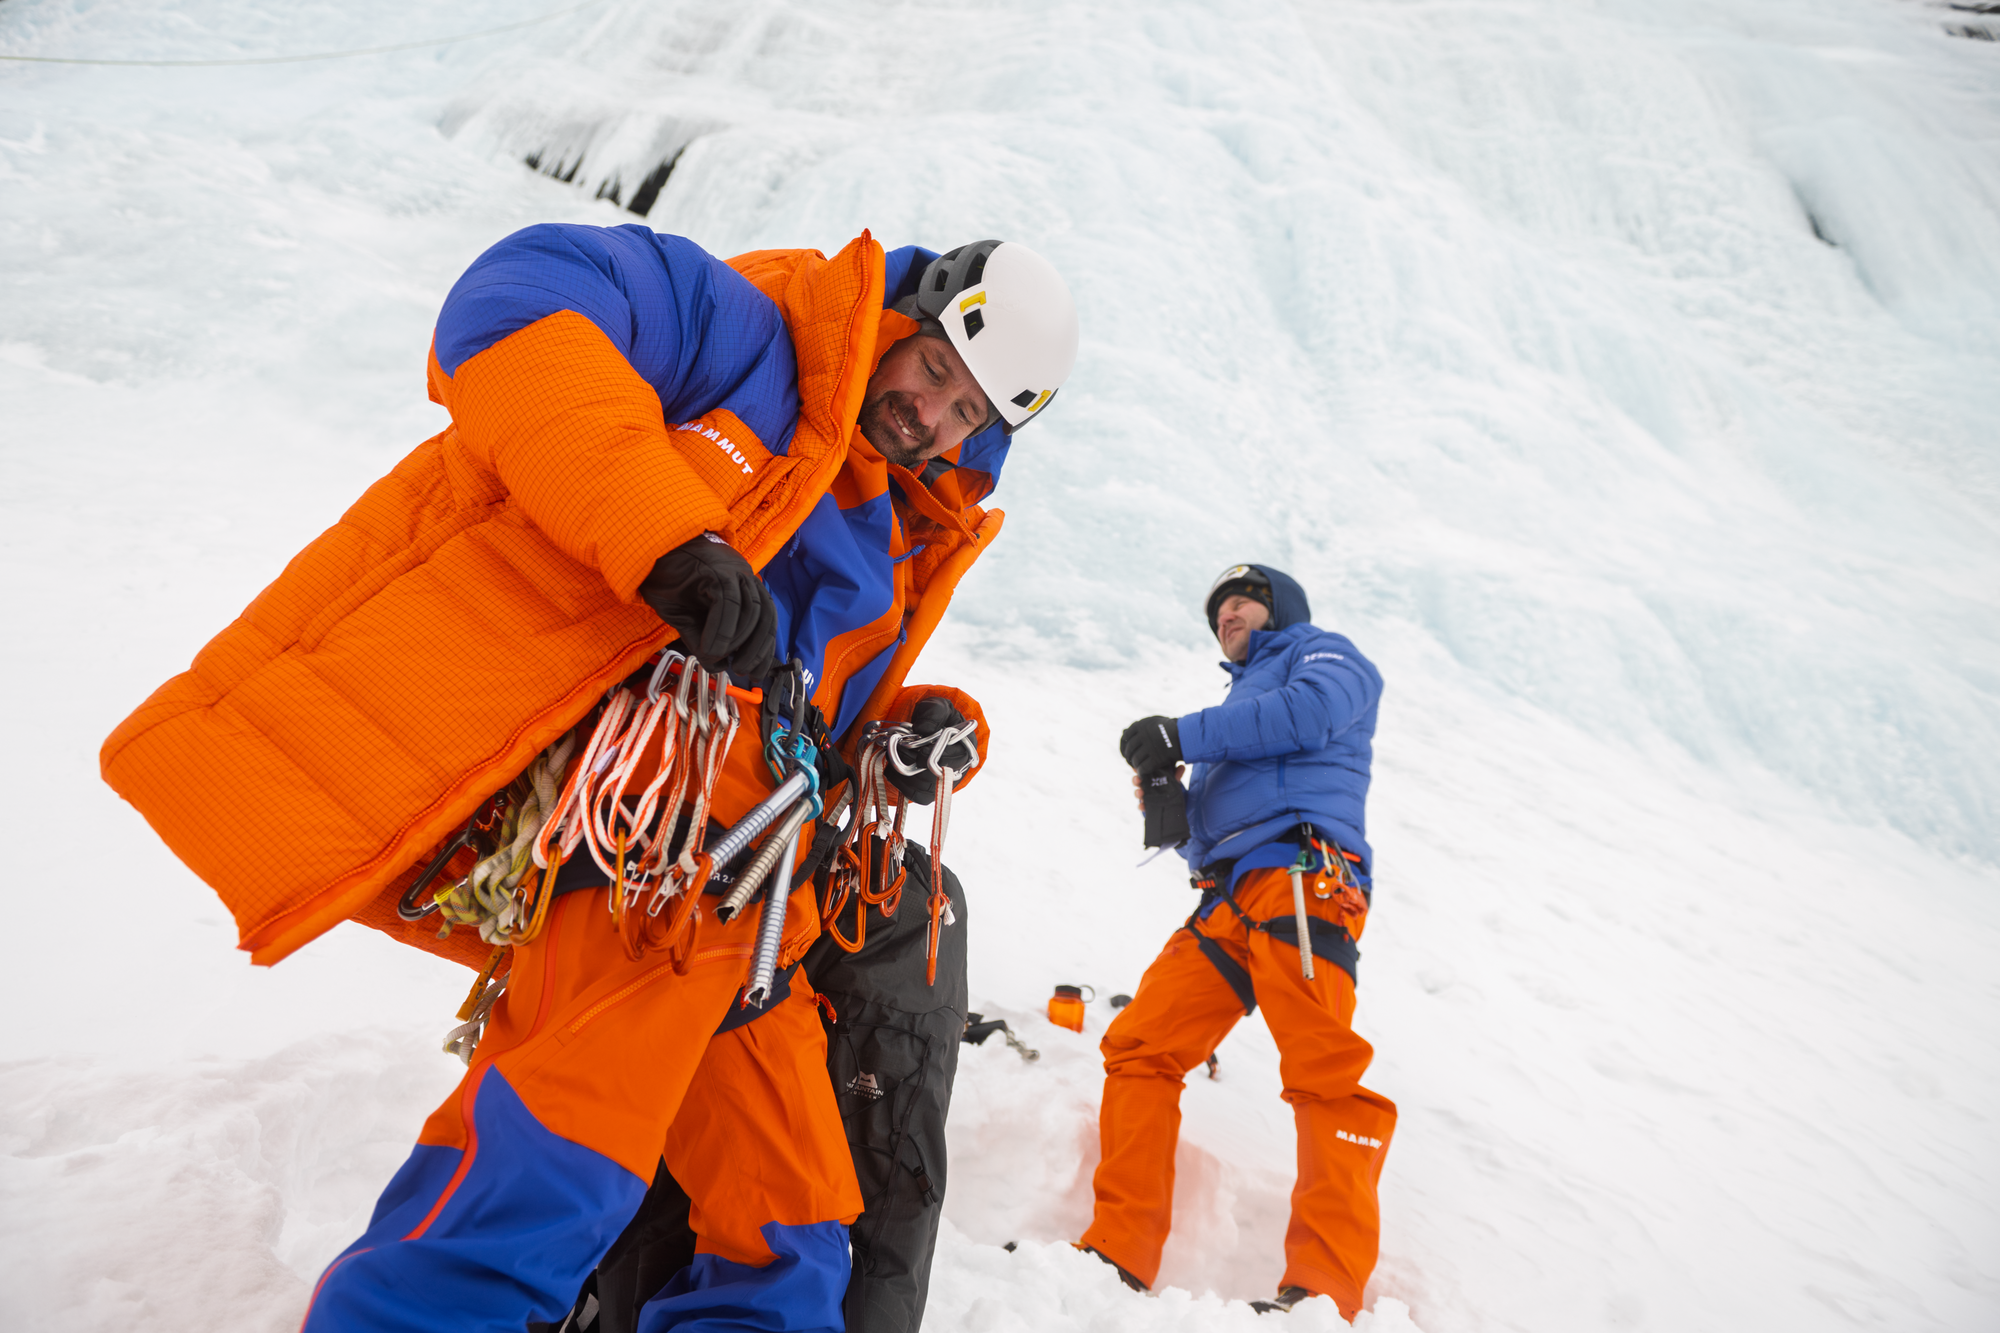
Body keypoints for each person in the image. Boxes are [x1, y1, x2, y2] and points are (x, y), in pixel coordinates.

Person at [99, 224, 1077, 1332]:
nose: (930, 417)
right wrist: (661, 535)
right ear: (908, 314)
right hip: (654, 834)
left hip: (763, 887)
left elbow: (798, 693)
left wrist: (902, 733)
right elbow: (512, 304)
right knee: (559, 1153)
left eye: (964, 417)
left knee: (794, 1219)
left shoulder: (899, 528)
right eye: (935, 371)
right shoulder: (750, 335)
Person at [1079, 563, 1396, 1320]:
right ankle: (1117, 1253)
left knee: (1324, 1073)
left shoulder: (1327, 657)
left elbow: (1310, 716)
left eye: (1242, 600)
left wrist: (1180, 735)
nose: (1227, 614)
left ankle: (1325, 1289)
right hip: (1230, 896)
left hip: (1302, 876)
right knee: (1141, 1047)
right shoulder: (1239, 704)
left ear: (1281, 608)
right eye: (1217, 609)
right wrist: (1178, 805)